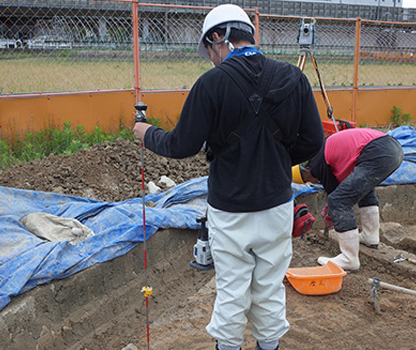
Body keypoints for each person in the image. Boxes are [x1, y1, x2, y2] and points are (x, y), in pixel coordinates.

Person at [133, 4, 324, 349]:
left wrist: (146, 133)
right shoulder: (293, 78)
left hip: (229, 210)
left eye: (209, 49)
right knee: (268, 286)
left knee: (233, 289)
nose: (210, 57)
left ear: (217, 38)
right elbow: (313, 142)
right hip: (277, 205)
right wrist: (275, 161)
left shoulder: (211, 84)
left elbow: (181, 145)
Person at [296, 128, 404, 271]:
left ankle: (349, 258)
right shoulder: (323, 151)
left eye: (308, 180)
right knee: (364, 190)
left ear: (306, 170)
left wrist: (332, 214)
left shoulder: (316, 162)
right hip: (391, 148)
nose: (313, 181)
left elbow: (335, 194)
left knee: (338, 201)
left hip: (377, 151)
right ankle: (370, 236)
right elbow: (341, 186)